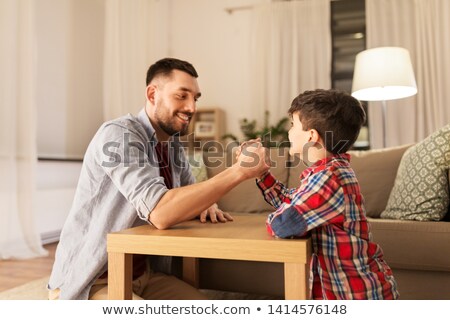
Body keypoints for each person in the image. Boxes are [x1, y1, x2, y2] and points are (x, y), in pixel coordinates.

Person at [47, 58, 270, 300]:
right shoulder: (119, 135)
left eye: (195, 98)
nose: (192, 107)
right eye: (181, 96)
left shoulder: (172, 143)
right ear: (153, 94)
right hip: (94, 280)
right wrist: (238, 171)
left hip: (145, 276)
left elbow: (190, 192)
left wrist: (206, 203)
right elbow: (160, 212)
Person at [252, 89, 399, 299]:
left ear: (311, 135)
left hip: (356, 294)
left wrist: (276, 217)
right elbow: (293, 203)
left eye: (293, 124)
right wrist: (262, 173)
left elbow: (283, 224)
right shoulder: (327, 172)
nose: (288, 131)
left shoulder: (328, 178)